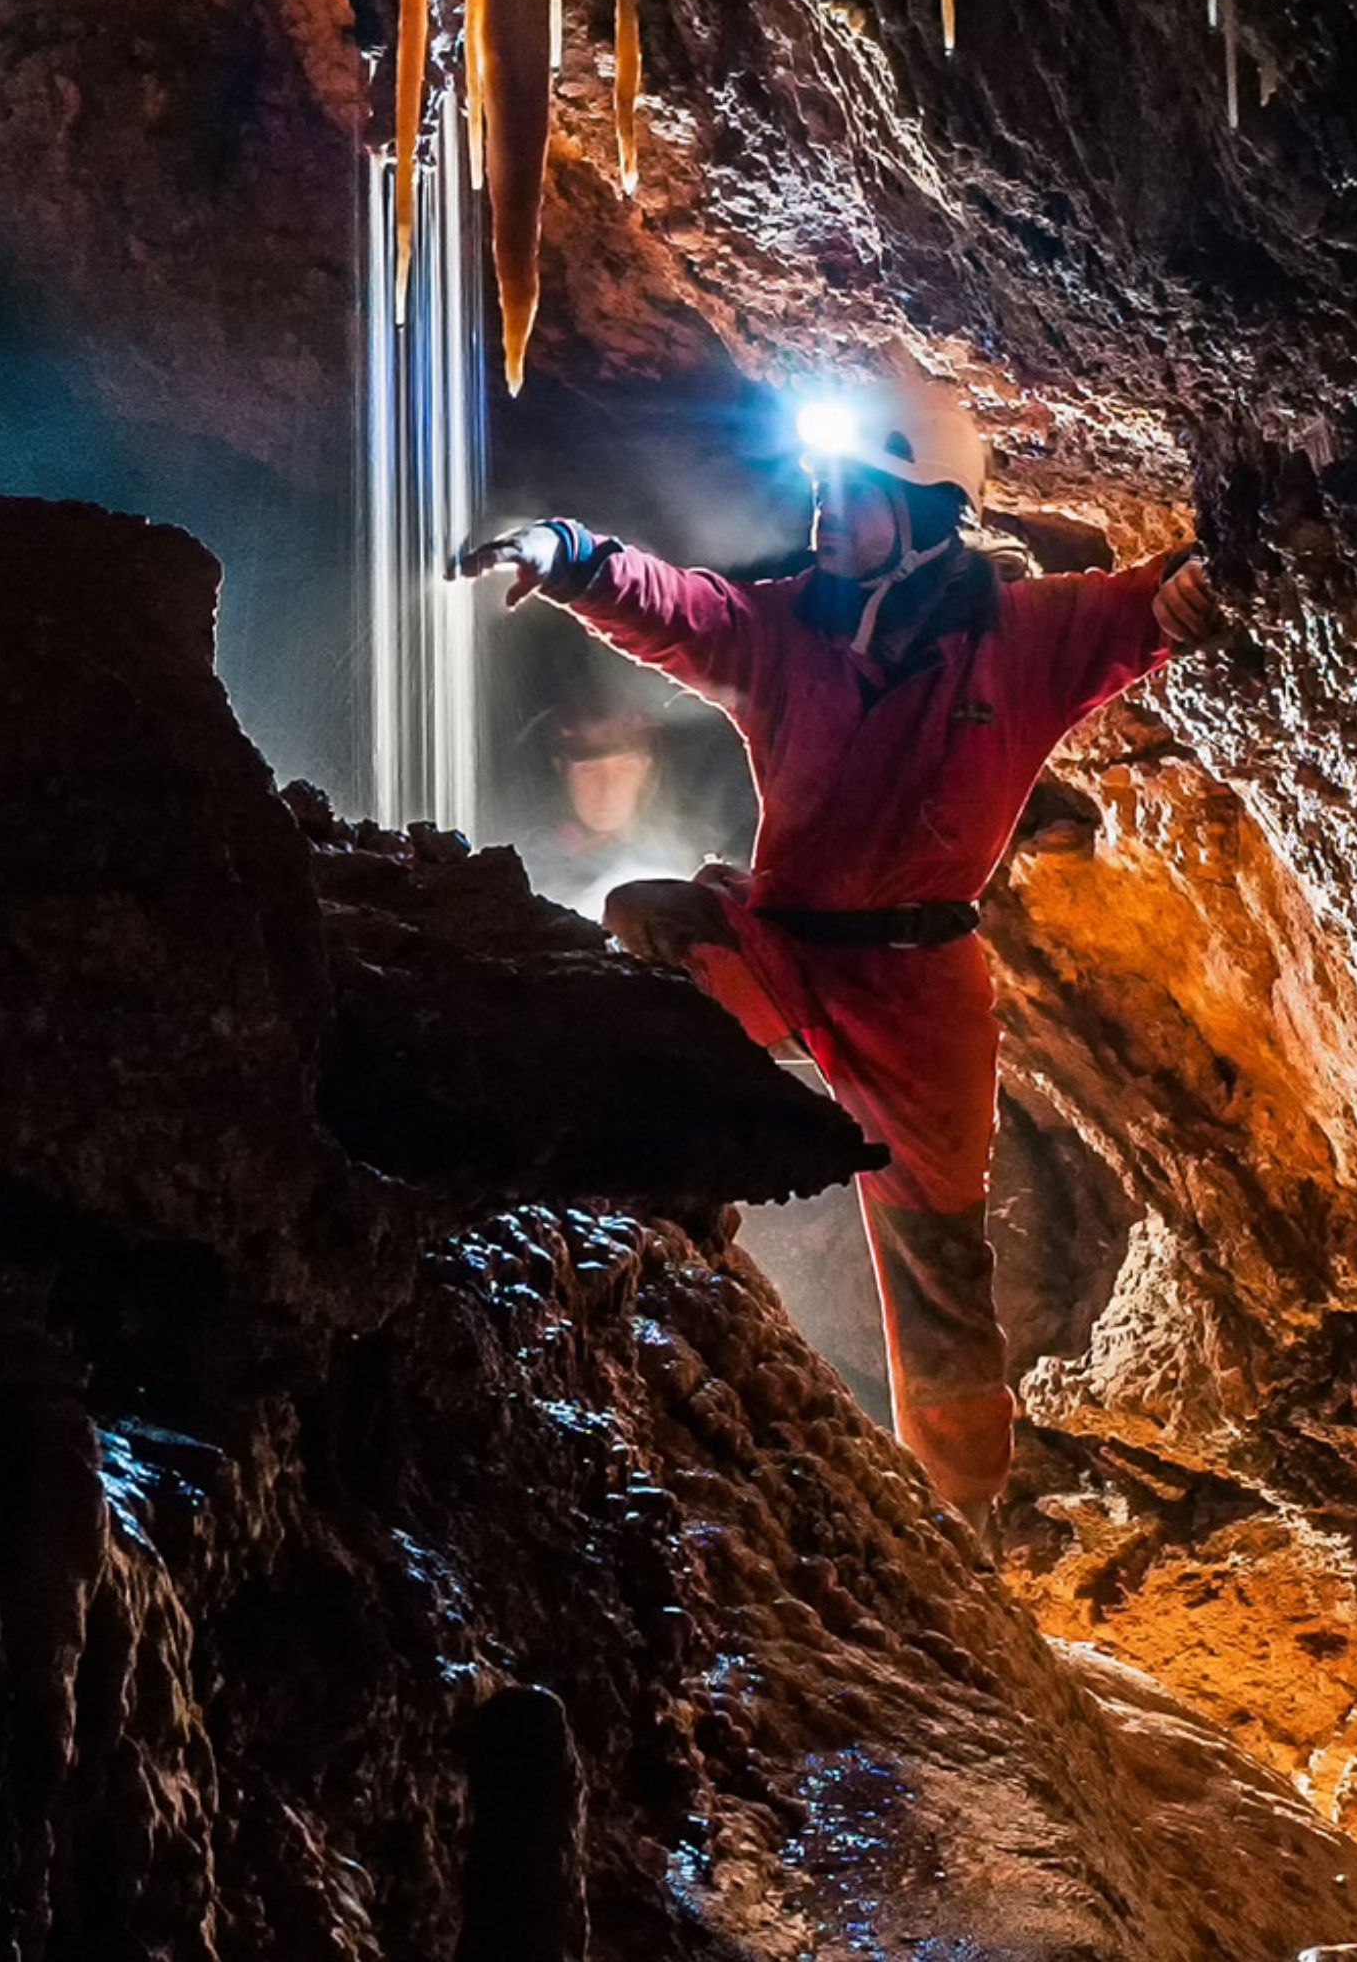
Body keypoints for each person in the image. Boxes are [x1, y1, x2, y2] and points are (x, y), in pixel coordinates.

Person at [462, 383, 1223, 1534]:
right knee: (649, 925)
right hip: (785, 939)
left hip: (919, 982)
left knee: (937, 1264)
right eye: (819, 488)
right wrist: (568, 556)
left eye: (852, 494)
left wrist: (1222, 580)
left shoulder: (1017, 642)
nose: (824, 511)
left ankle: (964, 1517)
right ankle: (642, 1249)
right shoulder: (784, 630)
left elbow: (1143, 614)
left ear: (926, 514)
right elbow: (676, 608)